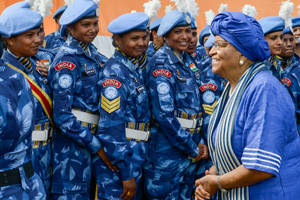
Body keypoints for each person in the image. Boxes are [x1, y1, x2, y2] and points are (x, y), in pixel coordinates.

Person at [194, 11, 300, 200]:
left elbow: (260, 167)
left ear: (242, 51)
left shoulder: (264, 89)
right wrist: (216, 170)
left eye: (220, 45)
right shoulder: (233, 87)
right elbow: (236, 146)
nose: (211, 51)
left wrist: (218, 182)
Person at [47, 0, 107, 199]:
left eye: (95, 23)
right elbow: (62, 116)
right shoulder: (67, 60)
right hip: (72, 146)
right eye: (86, 25)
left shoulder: (93, 54)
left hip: (91, 139)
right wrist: (94, 143)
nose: (92, 29)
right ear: (71, 28)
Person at [144, 10, 205, 199]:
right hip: (168, 152)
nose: (185, 36)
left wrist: (199, 143)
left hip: (190, 148)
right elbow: (164, 115)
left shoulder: (188, 60)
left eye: (187, 31)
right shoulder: (161, 64)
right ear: (166, 35)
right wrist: (191, 147)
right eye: (178, 32)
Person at [94, 12, 150, 200]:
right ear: (117, 39)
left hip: (137, 156)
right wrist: (126, 172)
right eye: (134, 38)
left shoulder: (133, 68)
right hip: (120, 165)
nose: (142, 43)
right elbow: (111, 129)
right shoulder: (114, 74)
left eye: (144, 37)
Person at [1, 2, 53, 198]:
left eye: (38, 33)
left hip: (44, 152)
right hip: (15, 162)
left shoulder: (41, 64)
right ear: (10, 40)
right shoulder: (5, 74)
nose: (38, 40)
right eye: (29, 36)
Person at [272, 27, 300, 133]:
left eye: (291, 40)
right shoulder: (269, 67)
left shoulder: (298, 66)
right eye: (284, 40)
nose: (289, 44)